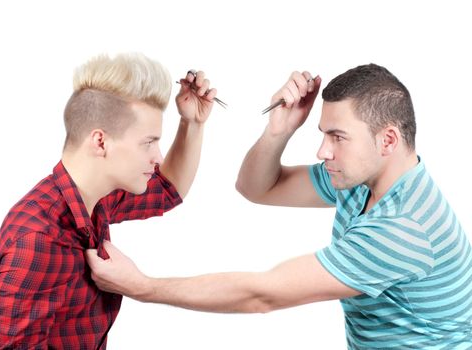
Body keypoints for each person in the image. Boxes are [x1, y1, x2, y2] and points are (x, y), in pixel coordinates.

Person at [86, 64, 472, 349]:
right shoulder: (364, 180)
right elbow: (257, 187)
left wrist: (143, 287)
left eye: (338, 137)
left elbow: (262, 295)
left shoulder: (401, 229)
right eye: (323, 135)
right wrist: (280, 129)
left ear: (388, 140)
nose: (323, 151)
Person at [0, 53, 219, 349]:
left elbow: (167, 191)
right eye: (148, 142)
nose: (158, 157)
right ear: (100, 142)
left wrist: (192, 123)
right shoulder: (38, 240)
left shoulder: (97, 199)